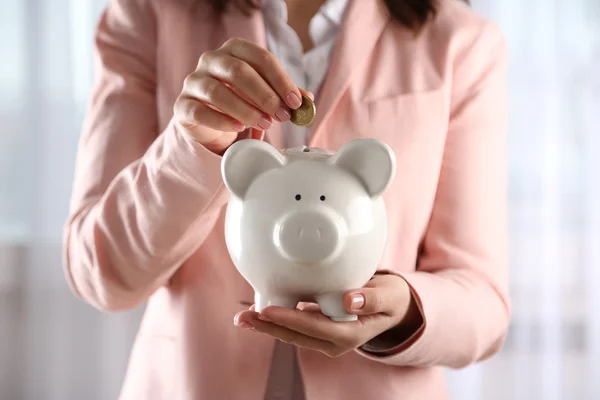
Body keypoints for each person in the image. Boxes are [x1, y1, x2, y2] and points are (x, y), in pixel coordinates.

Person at [62, 0, 510, 398]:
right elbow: (99, 273)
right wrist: (189, 149)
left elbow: (484, 303)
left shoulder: (460, 40)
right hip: (193, 381)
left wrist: (402, 308)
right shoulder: (148, 13)